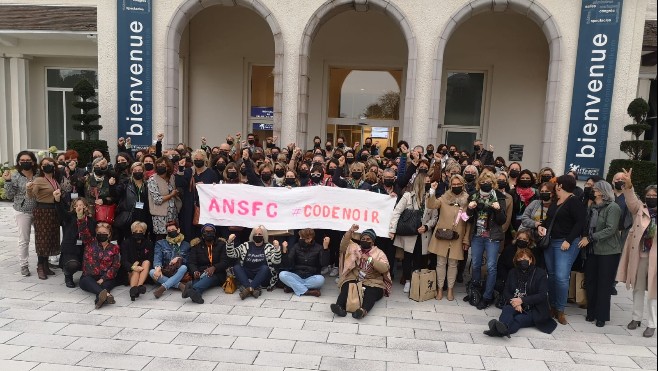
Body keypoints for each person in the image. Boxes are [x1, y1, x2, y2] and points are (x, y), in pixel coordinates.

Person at [538, 175, 586, 325]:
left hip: (565, 243)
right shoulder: (555, 202)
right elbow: (549, 220)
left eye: (556, 184)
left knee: (561, 277)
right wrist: (541, 227)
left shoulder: (574, 202)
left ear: (560, 186)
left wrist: (569, 240)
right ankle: (552, 306)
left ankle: (560, 309)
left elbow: (580, 223)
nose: (555, 187)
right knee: (551, 275)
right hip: (551, 242)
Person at [616, 169, 656, 338]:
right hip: (640, 254)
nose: (651, 197)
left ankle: (652, 324)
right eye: (649, 195)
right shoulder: (640, 208)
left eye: (655, 195)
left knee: (654, 293)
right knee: (638, 289)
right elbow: (631, 201)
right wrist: (629, 185)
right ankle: (636, 318)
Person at [484, 249, 557, 337]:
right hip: (516, 304)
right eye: (520, 259)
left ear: (531, 260)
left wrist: (522, 300)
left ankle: (498, 330)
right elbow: (506, 292)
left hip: (534, 309)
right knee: (507, 310)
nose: (523, 260)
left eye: (525, 258)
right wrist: (515, 303)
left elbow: (542, 295)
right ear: (516, 261)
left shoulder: (540, 273)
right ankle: (502, 328)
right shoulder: (512, 272)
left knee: (519, 319)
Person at [578, 180, 622, 327]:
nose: (592, 190)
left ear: (603, 192)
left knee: (604, 284)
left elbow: (610, 229)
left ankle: (601, 316)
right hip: (592, 251)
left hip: (608, 251)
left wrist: (590, 238)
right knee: (590, 282)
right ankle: (591, 312)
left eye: (595, 189)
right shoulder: (592, 207)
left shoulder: (613, 207)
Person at [389, 173, 438, 293]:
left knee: (420, 258)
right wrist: (392, 229)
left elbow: (434, 217)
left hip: (423, 234)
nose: (428, 184)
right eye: (426, 182)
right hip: (409, 232)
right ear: (420, 183)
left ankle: (416, 281)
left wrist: (426, 227)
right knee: (407, 258)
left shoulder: (431, 197)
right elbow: (396, 212)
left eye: (429, 182)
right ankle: (407, 280)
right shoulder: (408, 196)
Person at [466, 171, 507, 309]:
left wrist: (497, 210)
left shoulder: (499, 198)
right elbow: (467, 219)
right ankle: (475, 291)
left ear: (494, 184)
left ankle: (487, 296)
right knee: (476, 264)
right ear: (479, 183)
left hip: (492, 237)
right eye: (483, 182)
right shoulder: (474, 196)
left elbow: (502, 220)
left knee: (491, 267)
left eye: (489, 182)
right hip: (477, 235)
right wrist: (469, 209)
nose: (486, 184)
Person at [331, 226, 391, 319]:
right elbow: (343, 246)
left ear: (373, 242)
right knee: (347, 286)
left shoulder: (379, 253)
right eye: (363, 239)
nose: (365, 240)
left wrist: (370, 259)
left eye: (368, 239)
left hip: (373, 281)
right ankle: (339, 307)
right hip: (355, 278)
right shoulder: (355, 248)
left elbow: (384, 269)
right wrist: (350, 231)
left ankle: (362, 311)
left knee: (371, 292)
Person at [427, 175, 471, 301]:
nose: (456, 186)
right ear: (450, 185)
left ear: (463, 185)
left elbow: (468, 222)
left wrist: (466, 239)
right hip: (442, 235)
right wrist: (432, 191)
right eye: (454, 184)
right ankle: (440, 288)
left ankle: (450, 289)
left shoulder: (468, 200)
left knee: (453, 264)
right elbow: (432, 204)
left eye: (459, 184)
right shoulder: (445, 197)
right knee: (440, 263)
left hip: (458, 236)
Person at [27, 157, 65, 280]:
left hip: (53, 211)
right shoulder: (39, 180)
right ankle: (40, 266)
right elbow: (32, 195)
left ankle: (45, 264)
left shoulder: (54, 179)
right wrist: (28, 188)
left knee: (51, 238)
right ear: (41, 168)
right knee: (42, 238)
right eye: (44, 164)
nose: (47, 166)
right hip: (42, 211)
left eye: (50, 164)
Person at [3, 151, 38, 277]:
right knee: (24, 239)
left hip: (39, 210)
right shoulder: (15, 176)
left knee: (41, 237)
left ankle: (44, 262)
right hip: (22, 211)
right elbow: (9, 195)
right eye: (22, 160)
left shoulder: (38, 174)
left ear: (33, 161)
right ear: (18, 162)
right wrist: (7, 182)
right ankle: (24, 264)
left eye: (28, 160)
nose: (25, 162)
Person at [226, 225, 282, 299]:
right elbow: (232, 254)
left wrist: (277, 249)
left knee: (265, 268)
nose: (257, 236)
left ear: (264, 236)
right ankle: (252, 289)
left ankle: (248, 289)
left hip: (263, 276)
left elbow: (276, 261)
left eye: (259, 234)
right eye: (255, 234)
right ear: (252, 235)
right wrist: (229, 242)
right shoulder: (246, 245)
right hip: (248, 274)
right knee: (236, 267)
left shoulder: (269, 247)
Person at [78, 217, 121, 310]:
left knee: (105, 285)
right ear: (96, 234)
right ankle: (107, 295)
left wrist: (103, 278)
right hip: (89, 276)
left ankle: (99, 301)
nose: (102, 235)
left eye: (104, 233)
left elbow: (115, 266)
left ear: (109, 234)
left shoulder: (114, 247)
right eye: (99, 233)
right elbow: (83, 231)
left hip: (106, 277)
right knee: (86, 281)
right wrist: (80, 217)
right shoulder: (90, 242)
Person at [184, 224, 232, 304]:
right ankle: (196, 293)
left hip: (218, 273)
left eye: (211, 231)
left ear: (215, 233)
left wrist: (214, 267)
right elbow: (191, 262)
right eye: (206, 232)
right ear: (202, 234)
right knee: (204, 277)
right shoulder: (196, 245)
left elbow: (225, 262)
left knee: (209, 276)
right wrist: (195, 271)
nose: (209, 233)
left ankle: (193, 288)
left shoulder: (222, 244)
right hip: (201, 272)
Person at [55, 194, 95, 288]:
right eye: (76, 205)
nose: (79, 207)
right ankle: (68, 275)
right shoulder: (69, 217)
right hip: (71, 248)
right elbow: (61, 212)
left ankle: (85, 278)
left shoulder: (90, 220)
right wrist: (57, 200)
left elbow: (92, 234)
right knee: (73, 264)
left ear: (85, 206)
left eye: (81, 205)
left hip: (84, 248)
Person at [279, 229, 330, 297]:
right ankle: (307, 292)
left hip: (311, 276)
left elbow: (324, 263)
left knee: (321, 279)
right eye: (300, 237)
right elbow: (288, 263)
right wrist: (284, 251)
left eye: (302, 238)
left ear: (309, 239)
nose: (300, 239)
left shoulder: (319, 247)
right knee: (282, 274)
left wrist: (325, 248)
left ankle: (294, 287)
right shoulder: (296, 246)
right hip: (297, 274)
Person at [519, 182, 556, 268]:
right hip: (532, 238)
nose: (543, 193)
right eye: (542, 191)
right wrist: (536, 224)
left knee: (544, 265)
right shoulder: (535, 203)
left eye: (546, 191)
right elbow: (524, 218)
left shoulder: (556, 206)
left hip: (547, 240)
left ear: (552, 193)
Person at [150, 221, 190, 298]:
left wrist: (179, 258)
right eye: (169, 231)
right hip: (165, 270)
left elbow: (188, 261)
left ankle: (162, 288)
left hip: (178, 272)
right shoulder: (160, 243)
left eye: (173, 230)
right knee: (152, 272)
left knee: (184, 267)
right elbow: (157, 256)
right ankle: (180, 286)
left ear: (178, 230)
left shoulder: (186, 245)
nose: (171, 232)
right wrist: (158, 268)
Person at [114, 162, 151, 244]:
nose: (137, 172)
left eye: (140, 170)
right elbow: (116, 193)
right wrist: (112, 185)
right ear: (132, 171)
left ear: (143, 171)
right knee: (128, 240)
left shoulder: (147, 184)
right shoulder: (126, 183)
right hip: (129, 215)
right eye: (135, 170)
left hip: (143, 215)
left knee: (142, 239)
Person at [147, 157, 180, 240]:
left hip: (173, 214)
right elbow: (157, 200)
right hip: (160, 217)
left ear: (168, 167)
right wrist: (171, 195)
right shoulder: (152, 179)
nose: (160, 166)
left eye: (162, 165)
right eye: (158, 165)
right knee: (161, 240)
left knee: (174, 238)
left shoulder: (172, 177)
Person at [121, 221, 153, 301]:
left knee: (146, 262)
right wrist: (133, 267)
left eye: (140, 231)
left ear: (144, 232)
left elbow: (150, 259)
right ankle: (134, 289)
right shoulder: (126, 243)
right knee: (135, 269)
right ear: (132, 232)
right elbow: (124, 261)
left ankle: (138, 287)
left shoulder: (148, 243)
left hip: (143, 270)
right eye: (136, 231)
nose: (138, 233)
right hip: (129, 271)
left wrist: (139, 264)